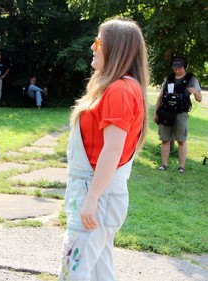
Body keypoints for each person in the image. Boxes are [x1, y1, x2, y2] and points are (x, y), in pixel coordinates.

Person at [58, 18, 149, 281]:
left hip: (96, 193)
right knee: (98, 272)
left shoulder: (120, 90)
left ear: (116, 48)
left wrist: (92, 198)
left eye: (99, 40)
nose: (92, 46)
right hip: (96, 193)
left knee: (72, 272)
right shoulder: (121, 88)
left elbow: (112, 150)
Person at [154, 56, 202, 173]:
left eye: (179, 68)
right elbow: (160, 96)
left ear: (184, 67)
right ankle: (164, 164)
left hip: (181, 114)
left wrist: (194, 92)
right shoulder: (169, 79)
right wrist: (156, 113)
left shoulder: (191, 79)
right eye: (174, 68)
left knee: (181, 140)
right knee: (165, 139)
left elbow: (199, 99)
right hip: (166, 112)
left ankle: (181, 167)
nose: (176, 71)